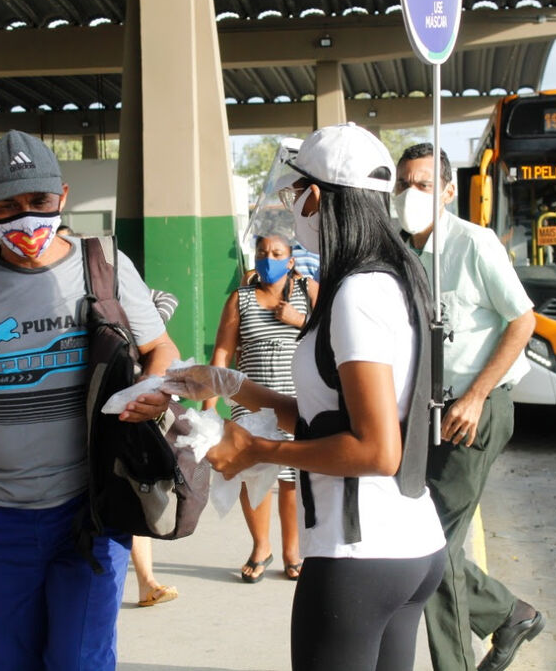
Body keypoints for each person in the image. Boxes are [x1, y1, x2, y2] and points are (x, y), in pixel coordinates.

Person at [165, 123, 446, 671]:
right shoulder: (397, 276)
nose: (292, 207)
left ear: (317, 198)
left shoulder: (356, 294)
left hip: (357, 557)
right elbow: (328, 416)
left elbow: (375, 449)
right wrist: (229, 384)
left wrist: (257, 451)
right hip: (412, 547)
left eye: (296, 194)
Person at [0, 130, 179, 671]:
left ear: (63, 196)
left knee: (81, 661)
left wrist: (153, 392)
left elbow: (160, 348)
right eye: (8, 207)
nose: (26, 219)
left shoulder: (107, 267)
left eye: (39, 202)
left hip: (93, 511)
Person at [393, 143, 540, 671]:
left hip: (474, 410)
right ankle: (509, 614)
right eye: (404, 184)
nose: (412, 194)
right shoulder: (399, 252)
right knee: (426, 541)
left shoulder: (475, 244)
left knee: (435, 550)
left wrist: (475, 396)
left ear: (450, 191)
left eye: (425, 184)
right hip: (425, 415)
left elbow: (523, 321)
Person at [206, 233, 317, 582]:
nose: (268, 258)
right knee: (252, 475)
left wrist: (300, 321)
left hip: (295, 399)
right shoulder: (239, 299)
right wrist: (210, 407)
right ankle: (260, 547)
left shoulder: (308, 292)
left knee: (291, 478)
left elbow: (332, 332)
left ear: (291, 261)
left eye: (277, 253)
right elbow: (223, 353)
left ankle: (292, 551)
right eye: (262, 252)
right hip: (250, 401)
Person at [132, 286, 182, 608]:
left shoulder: (117, 282)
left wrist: (145, 329)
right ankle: (145, 582)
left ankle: (146, 582)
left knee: (139, 490)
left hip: (134, 403)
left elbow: (168, 297)